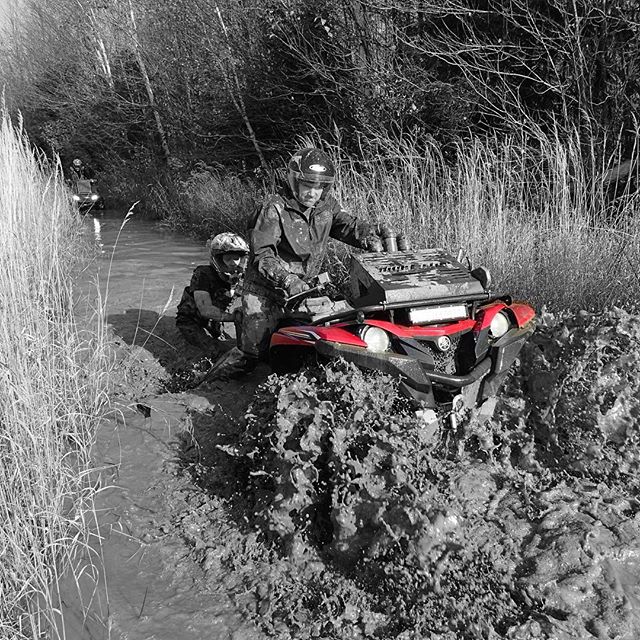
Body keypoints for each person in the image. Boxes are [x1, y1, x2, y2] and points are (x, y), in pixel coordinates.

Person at [212, 146, 384, 378]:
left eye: (319, 186)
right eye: (307, 185)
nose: (313, 193)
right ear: (294, 181)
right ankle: (207, 382)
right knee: (251, 354)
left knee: (331, 337)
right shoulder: (274, 208)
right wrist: (287, 279)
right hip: (265, 290)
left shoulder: (327, 207)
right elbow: (262, 256)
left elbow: (350, 227)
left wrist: (375, 234)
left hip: (305, 289)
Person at [175, 232, 249, 357]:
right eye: (228, 258)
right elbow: (205, 309)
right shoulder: (203, 274)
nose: (233, 263)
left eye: (236, 258)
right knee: (215, 352)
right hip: (191, 320)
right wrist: (233, 317)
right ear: (218, 259)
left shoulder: (243, 277)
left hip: (215, 321)